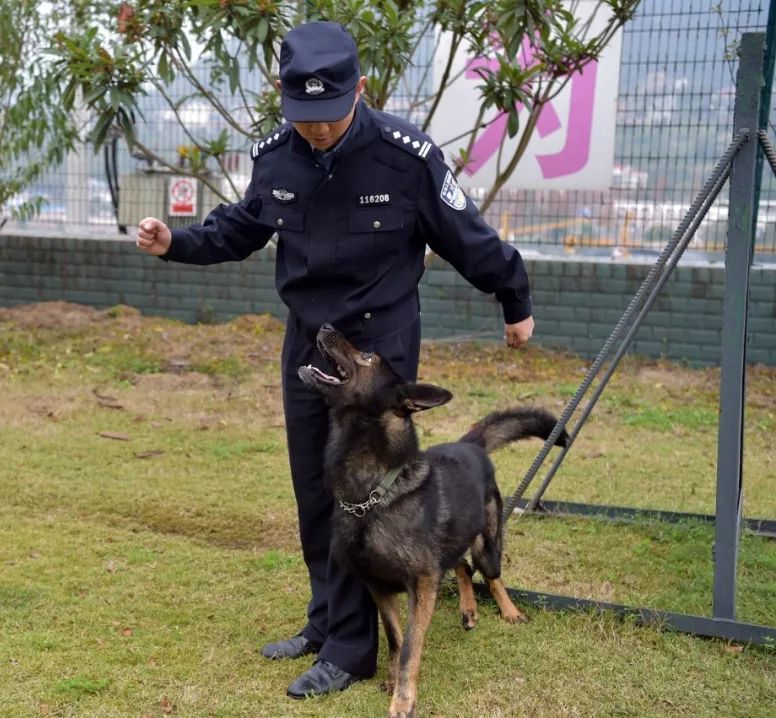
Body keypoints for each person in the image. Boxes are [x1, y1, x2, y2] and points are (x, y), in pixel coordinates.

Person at [136, 20, 534, 699]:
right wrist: (176, 240)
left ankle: (352, 651)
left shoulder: (406, 157)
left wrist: (514, 295)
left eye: (329, 115)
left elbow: (467, 234)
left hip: (379, 354)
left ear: (360, 90)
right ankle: (326, 619)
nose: (316, 129)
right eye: (303, 116)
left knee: (368, 502)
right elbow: (241, 226)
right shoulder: (277, 156)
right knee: (316, 491)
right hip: (311, 347)